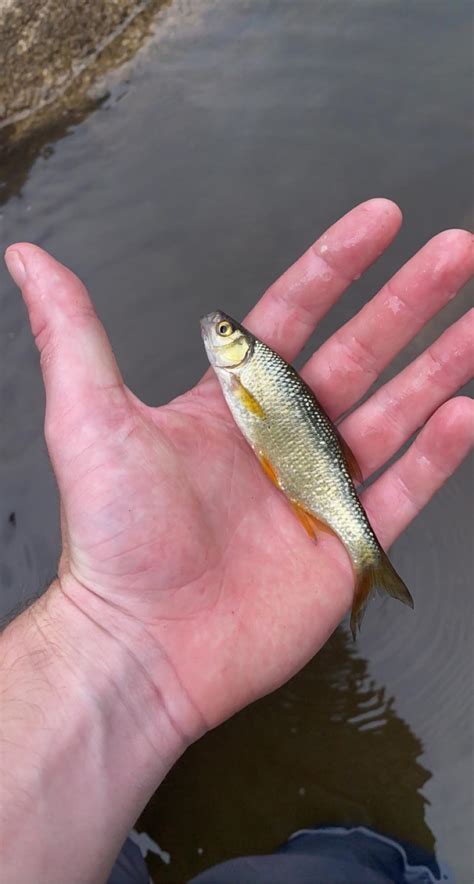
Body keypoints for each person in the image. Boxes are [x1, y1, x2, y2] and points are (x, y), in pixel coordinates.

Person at [0, 199, 472, 884]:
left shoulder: (249, 372)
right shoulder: (243, 374)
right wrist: (105, 628)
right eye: (226, 333)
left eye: (225, 333)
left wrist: (102, 637)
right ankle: (380, 860)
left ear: (238, 352)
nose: (216, 334)